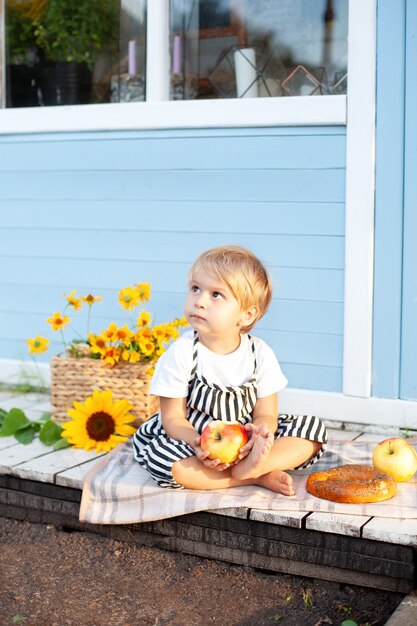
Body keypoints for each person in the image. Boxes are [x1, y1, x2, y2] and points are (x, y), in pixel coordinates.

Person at [133, 245, 327, 495]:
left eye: (216, 295)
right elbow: (172, 419)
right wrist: (196, 444)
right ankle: (252, 477)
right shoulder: (182, 353)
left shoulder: (260, 354)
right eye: (195, 289)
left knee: (312, 431)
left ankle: (254, 463)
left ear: (246, 315)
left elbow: (266, 414)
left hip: (244, 442)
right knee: (163, 461)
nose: (199, 301)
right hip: (191, 439)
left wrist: (260, 433)